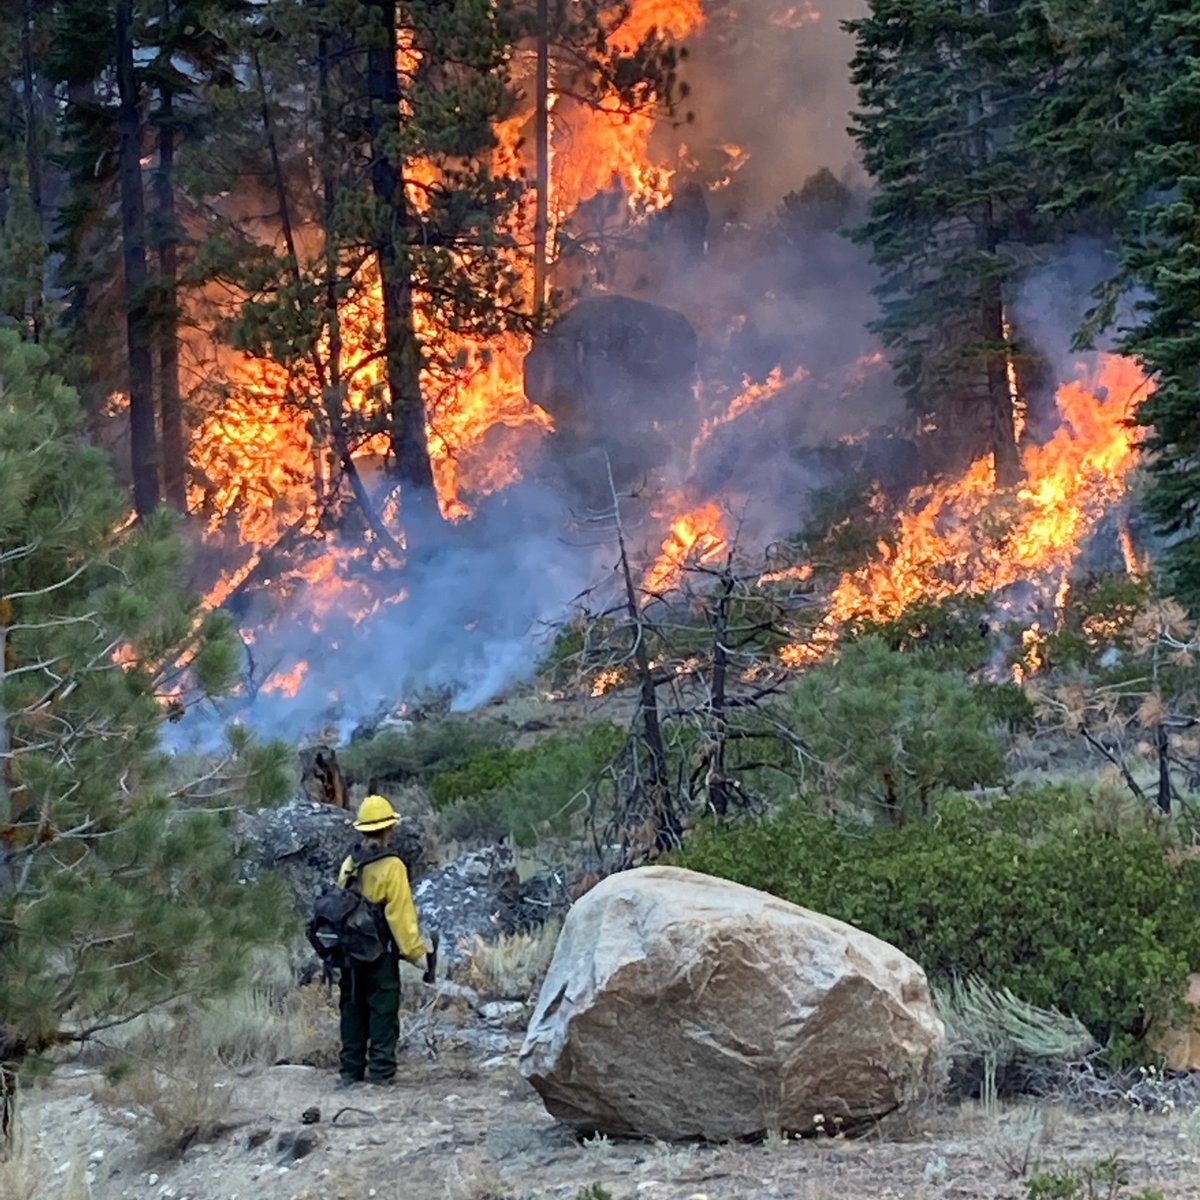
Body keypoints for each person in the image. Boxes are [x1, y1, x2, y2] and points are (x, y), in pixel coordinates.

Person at [336, 793, 429, 1087]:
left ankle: (349, 1072)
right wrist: (416, 953)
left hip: (350, 954)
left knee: (352, 1008)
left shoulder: (350, 863)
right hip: (380, 954)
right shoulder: (393, 866)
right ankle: (381, 1072)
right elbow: (400, 915)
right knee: (382, 1010)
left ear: (362, 829)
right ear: (389, 829)